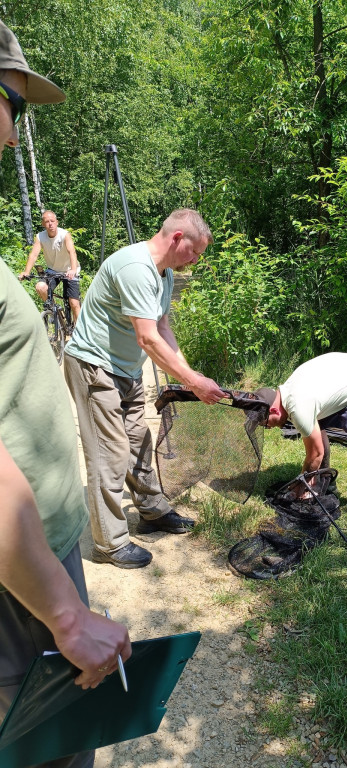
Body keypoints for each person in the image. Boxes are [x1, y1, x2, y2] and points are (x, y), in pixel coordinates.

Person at [0, 21, 130, 768]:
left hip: (33, 557)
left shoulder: (66, 239)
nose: (17, 137)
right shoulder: (39, 237)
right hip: (20, 585)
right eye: (13, 109)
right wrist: (63, 612)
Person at [64, 209, 226, 569]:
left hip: (127, 369)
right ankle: (109, 544)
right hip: (95, 366)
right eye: (195, 252)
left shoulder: (164, 273)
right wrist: (193, 382)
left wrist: (189, 371)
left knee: (138, 439)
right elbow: (147, 337)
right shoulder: (135, 267)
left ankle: (152, 512)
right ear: (177, 239)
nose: (196, 260)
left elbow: (163, 326)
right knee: (110, 453)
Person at [256, 352, 347, 521]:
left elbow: (316, 454)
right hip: (346, 375)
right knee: (319, 426)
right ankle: (322, 479)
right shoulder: (287, 392)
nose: (268, 427)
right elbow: (316, 439)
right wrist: (311, 475)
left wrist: (301, 485)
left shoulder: (298, 408)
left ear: (274, 410)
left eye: (266, 423)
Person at [19, 209, 81, 323]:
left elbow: (72, 252)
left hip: (69, 270)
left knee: (74, 303)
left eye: (52, 221)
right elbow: (33, 255)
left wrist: (73, 270)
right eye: (47, 221)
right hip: (53, 270)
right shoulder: (40, 237)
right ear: (43, 224)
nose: (50, 224)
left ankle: (80, 330)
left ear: (57, 222)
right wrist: (26, 272)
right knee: (40, 287)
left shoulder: (64, 235)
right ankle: (55, 312)